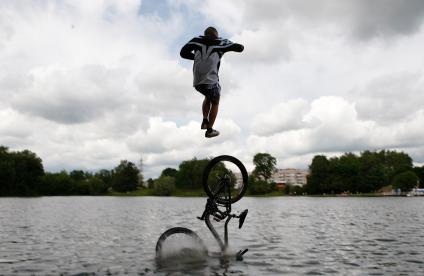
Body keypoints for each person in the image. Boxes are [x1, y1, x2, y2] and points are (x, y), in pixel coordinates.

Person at [180, 27, 244, 138]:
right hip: (211, 81)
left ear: (204, 34)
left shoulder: (196, 40)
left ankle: (205, 120)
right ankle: (209, 130)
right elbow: (240, 48)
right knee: (215, 101)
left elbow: (183, 53)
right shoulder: (220, 42)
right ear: (216, 35)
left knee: (208, 96)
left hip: (198, 82)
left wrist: (196, 57)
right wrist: (227, 44)